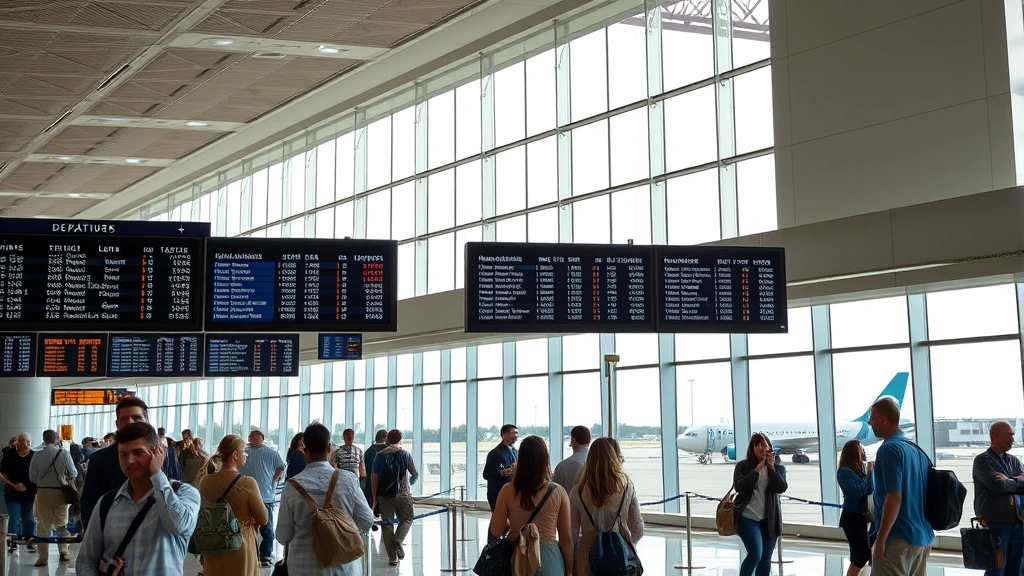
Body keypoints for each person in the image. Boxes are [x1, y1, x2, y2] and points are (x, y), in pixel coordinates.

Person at [75, 422, 201, 576]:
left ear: (158, 452)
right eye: (123, 454)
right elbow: (86, 561)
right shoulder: (106, 503)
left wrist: (157, 474)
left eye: (138, 453)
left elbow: (179, 526)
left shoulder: (184, 494)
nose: (130, 460)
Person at [277, 423, 374, 576]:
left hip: (303, 566)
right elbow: (367, 520)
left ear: (304, 450)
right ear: (330, 448)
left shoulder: (291, 487)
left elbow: (283, 536)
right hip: (343, 567)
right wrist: (342, 532)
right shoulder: (348, 480)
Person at [81, 397, 178, 528]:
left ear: (147, 421)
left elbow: (175, 486)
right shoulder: (99, 459)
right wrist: (90, 529)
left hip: (159, 525)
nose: (130, 422)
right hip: (113, 530)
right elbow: (89, 500)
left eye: (136, 417)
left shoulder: (164, 454)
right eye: (124, 418)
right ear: (117, 424)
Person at [488, 435, 573, 576]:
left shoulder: (507, 490)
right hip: (549, 560)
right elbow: (566, 538)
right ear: (545, 459)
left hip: (516, 557)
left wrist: (511, 523)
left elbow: (496, 531)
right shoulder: (559, 492)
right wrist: (569, 570)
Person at [869, 397, 933, 576]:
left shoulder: (889, 449)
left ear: (882, 420)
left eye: (872, 418)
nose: (870, 423)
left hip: (899, 536)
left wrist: (881, 539)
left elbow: (894, 496)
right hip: (922, 536)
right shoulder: (916, 450)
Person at [569, 437, 643, 576]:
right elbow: (638, 528)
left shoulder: (577, 492)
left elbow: (572, 533)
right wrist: (624, 541)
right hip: (621, 557)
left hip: (587, 558)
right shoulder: (627, 488)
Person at [196, 435, 269, 576]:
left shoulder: (205, 481)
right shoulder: (248, 483)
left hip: (212, 545)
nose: (245, 455)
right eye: (244, 451)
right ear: (235, 454)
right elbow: (263, 519)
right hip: (240, 546)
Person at [733, 433, 788, 576]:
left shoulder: (778, 467)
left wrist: (771, 467)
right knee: (755, 554)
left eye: (765, 445)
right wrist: (757, 469)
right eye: (759, 445)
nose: (763, 448)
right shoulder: (743, 466)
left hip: (770, 518)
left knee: (765, 559)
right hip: (748, 516)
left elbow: (781, 487)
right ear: (752, 448)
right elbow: (739, 487)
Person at [973, 421, 1024, 576]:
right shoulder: (983, 460)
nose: (1012, 439)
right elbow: (998, 486)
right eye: (1009, 435)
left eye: (1013, 435)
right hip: (997, 523)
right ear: (994, 437)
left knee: (1015, 569)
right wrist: (1018, 480)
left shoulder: (1014, 460)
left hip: (1018, 521)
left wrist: (1009, 481)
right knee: (997, 568)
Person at [28, 429, 77, 566]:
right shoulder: (64, 453)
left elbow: (32, 477)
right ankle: (64, 552)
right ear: (57, 439)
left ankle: (43, 557)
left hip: (42, 494)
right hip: (60, 494)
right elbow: (74, 472)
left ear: (44, 440)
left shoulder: (37, 454)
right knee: (61, 524)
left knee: (42, 526)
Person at [371, 429, 420, 566]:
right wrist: (410, 483)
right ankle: (398, 540)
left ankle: (393, 558)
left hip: (384, 495)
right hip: (403, 494)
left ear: (387, 439)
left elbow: (374, 477)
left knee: (387, 524)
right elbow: (414, 473)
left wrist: (375, 497)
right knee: (408, 518)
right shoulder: (405, 454)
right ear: (400, 439)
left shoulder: (379, 455)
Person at [239, 429, 285, 567]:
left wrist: (274, 480)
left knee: (267, 528)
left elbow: (281, 467)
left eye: (254, 436)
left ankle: (265, 555)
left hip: (266, 496)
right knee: (246, 527)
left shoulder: (271, 453)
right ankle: (249, 553)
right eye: (250, 437)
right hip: (245, 496)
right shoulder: (245, 453)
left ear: (261, 438)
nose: (251, 439)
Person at [837, 440, 873, 576]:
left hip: (860, 516)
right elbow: (858, 491)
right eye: (861, 450)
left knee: (860, 554)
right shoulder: (844, 472)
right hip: (851, 518)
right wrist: (869, 473)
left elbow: (869, 489)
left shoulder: (859, 470)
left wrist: (868, 472)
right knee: (862, 554)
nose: (864, 453)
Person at [0, 433, 36, 556]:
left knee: (29, 518)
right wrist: (14, 485)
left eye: (28, 441)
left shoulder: (34, 456)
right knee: (14, 517)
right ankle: (13, 543)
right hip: (12, 491)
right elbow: (2, 473)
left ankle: (30, 540)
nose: (26, 443)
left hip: (29, 492)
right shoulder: (10, 455)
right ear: (18, 443)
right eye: (23, 441)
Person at [483, 424, 519, 510]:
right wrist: (502, 472)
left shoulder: (514, 451)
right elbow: (486, 474)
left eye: (517, 433)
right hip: (498, 494)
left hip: (512, 493)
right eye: (513, 433)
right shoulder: (495, 453)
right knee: (499, 521)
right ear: (504, 434)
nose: (516, 436)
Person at [362, 430, 388, 508]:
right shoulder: (387, 451)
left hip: (369, 480)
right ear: (385, 438)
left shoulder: (368, 451)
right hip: (383, 481)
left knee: (371, 504)